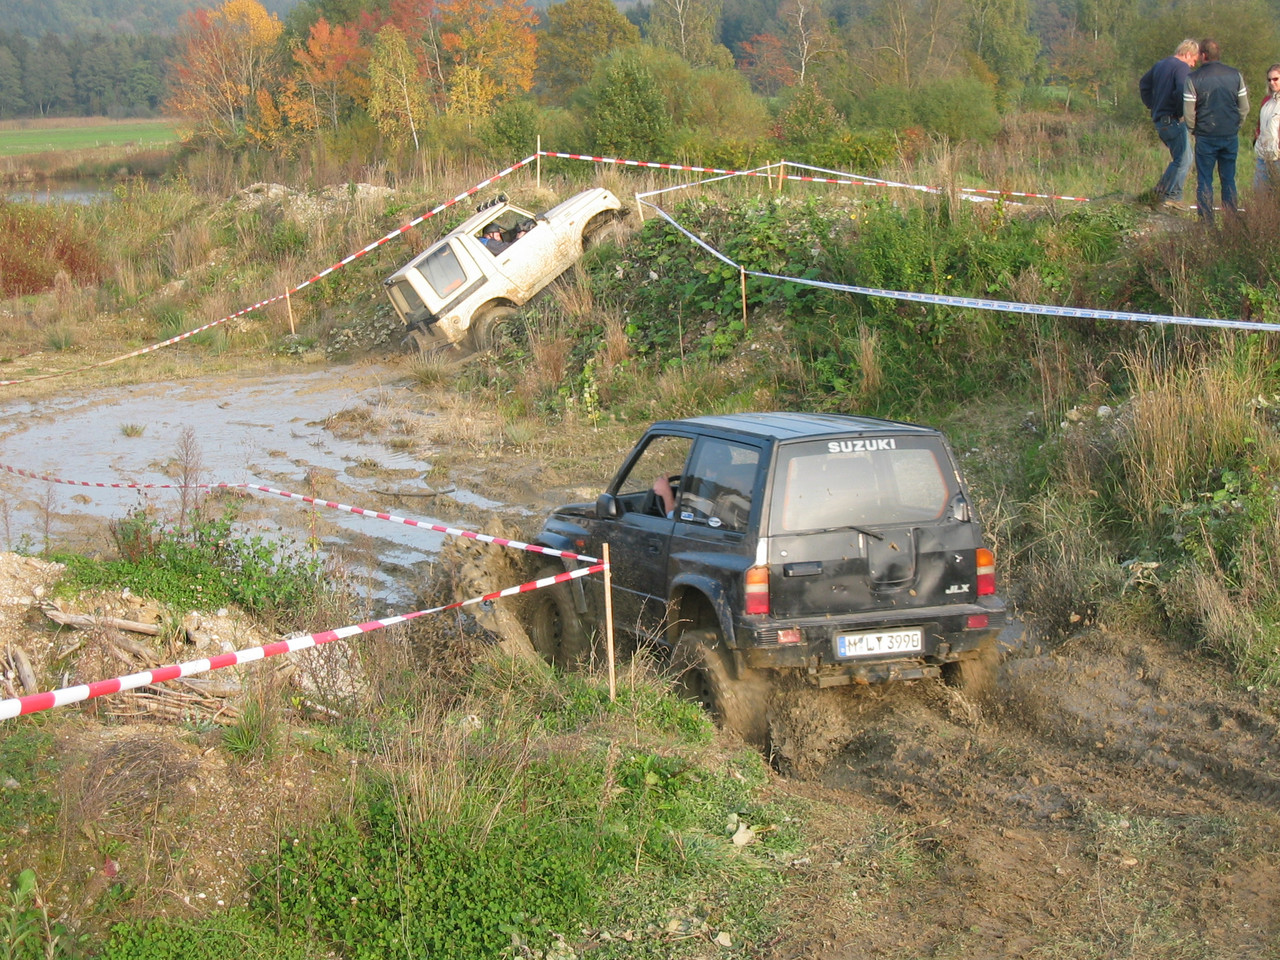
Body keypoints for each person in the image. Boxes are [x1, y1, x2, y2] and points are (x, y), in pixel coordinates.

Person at [1184, 38, 1249, 222]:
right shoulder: (1235, 75)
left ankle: (1206, 221)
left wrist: (1194, 129)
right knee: (1228, 178)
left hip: (1205, 135)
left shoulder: (1193, 78)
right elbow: (1244, 108)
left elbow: (1189, 112)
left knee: (1205, 179)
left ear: (1203, 55)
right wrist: (1236, 125)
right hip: (1229, 135)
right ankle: (1231, 220)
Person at [1139, 39, 1201, 208]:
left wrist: (1152, 104)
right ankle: (1170, 195)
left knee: (1182, 158)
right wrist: (1182, 112)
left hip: (1160, 120)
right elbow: (1181, 89)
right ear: (1187, 54)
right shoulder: (1182, 67)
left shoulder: (1160, 65)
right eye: (1193, 60)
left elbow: (1144, 84)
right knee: (1184, 159)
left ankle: (1161, 193)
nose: (1193, 65)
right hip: (1173, 119)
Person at [1254, 64, 1280, 193]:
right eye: (1269, 80)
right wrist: (1257, 138)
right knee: (1259, 192)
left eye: (1276, 79)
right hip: (1263, 154)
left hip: (1278, 155)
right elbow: (1260, 125)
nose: (1272, 82)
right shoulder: (1266, 101)